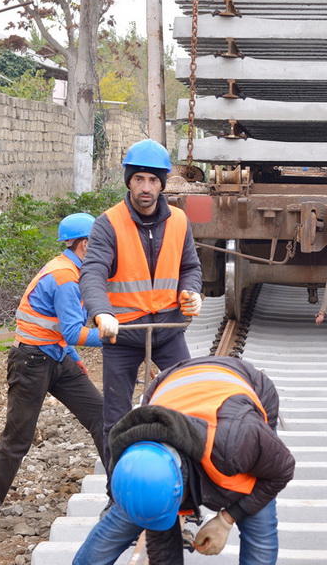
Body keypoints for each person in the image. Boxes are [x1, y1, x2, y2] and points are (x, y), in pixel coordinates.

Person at [72, 356, 295, 565]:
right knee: (136, 510)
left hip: (242, 388)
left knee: (258, 521)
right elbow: (161, 540)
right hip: (170, 382)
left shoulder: (240, 440)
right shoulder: (131, 462)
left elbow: (281, 471)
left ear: (180, 487)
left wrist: (227, 519)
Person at [0, 214, 105, 526]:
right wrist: (113, 336)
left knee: (101, 416)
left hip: (56, 357)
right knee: (18, 437)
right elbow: (72, 330)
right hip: (31, 362)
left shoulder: (74, 271)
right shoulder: (65, 278)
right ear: (85, 244)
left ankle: (122, 494)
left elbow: (58, 328)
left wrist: (73, 358)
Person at [80, 139, 203, 466]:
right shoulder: (108, 223)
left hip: (167, 329)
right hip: (122, 334)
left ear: (162, 184)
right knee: (116, 418)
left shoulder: (178, 221)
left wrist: (192, 292)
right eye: (139, 179)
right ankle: (115, 493)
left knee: (188, 402)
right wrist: (101, 312)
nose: (146, 187)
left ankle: (186, 486)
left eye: (152, 180)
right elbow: (92, 272)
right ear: (129, 181)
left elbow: (190, 266)